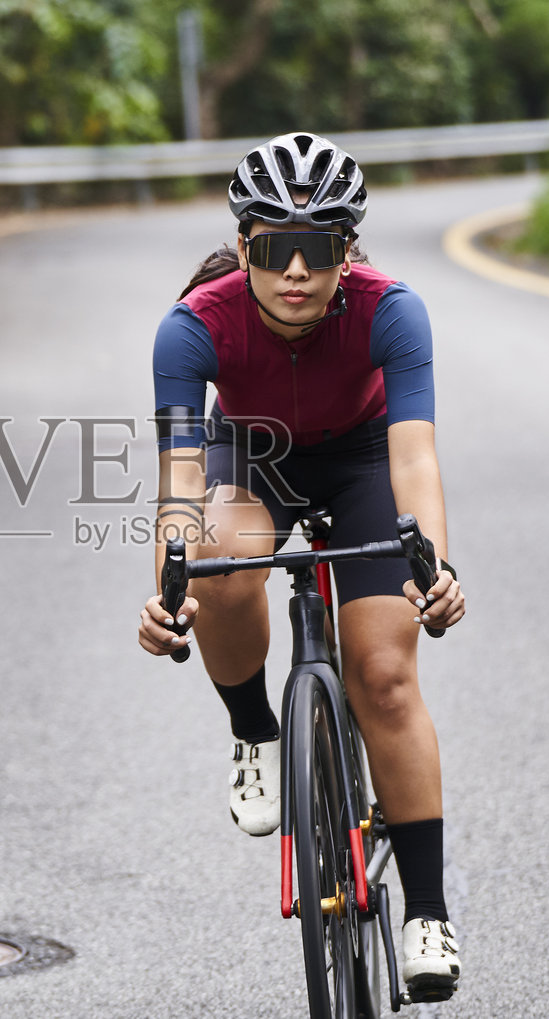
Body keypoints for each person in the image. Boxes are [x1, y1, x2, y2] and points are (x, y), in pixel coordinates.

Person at [137, 132, 466, 998]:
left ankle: (428, 911)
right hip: (253, 455)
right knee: (221, 558)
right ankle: (255, 730)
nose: (294, 270)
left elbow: (415, 458)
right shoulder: (193, 325)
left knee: (384, 677)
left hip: (363, 461)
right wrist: (168, 584)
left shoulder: (393, 310)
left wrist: (432, 567)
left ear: (346, 250)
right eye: (273, 247)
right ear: (243, 245)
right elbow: (180, 481)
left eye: (316, 248)